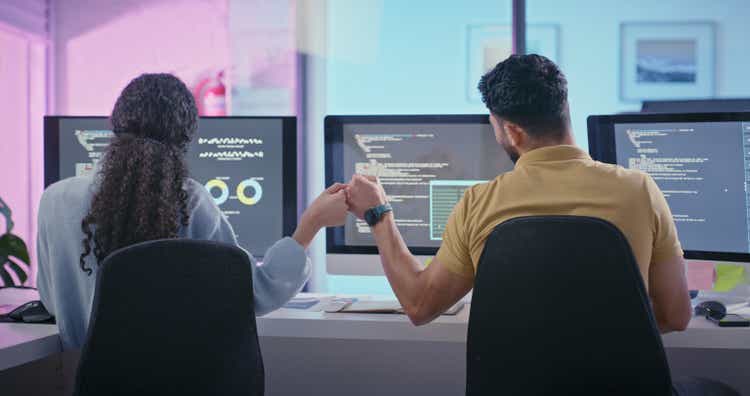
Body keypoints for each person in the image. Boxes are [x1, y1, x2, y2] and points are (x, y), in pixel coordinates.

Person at [345, 54, 692, 332]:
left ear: (511, 131)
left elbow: (420, 307)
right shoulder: (639, 190)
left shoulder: (479, 204)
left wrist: (379, 215)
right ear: (565, 109)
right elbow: (676, 316)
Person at [36, 73, 348, 349]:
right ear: (185, 140)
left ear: (115, 125)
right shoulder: (191, 202)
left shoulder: (54, 200)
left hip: (93, 384)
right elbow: (254, 294)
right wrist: (312, 223)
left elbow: (52, 302)